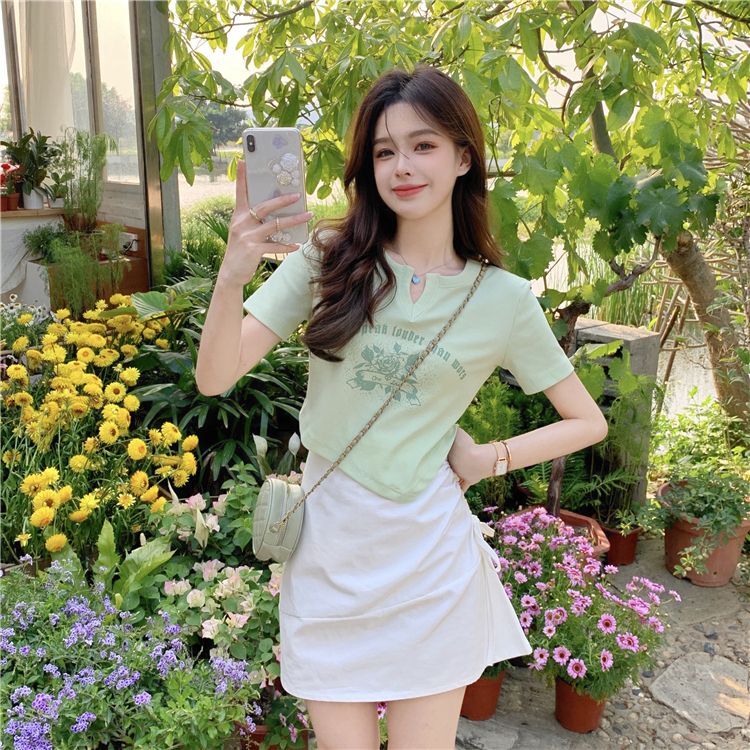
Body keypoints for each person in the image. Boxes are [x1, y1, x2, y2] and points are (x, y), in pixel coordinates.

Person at [196, 65, 608, 750]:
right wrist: (233, 274)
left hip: (430, 565)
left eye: (423, 145)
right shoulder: (329, 259)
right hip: (329, 554)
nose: (402, 166)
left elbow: (586, 421)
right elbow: (215, 377)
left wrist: (487, 458)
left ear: (463, 157)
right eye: (385, 151)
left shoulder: (503, 299)